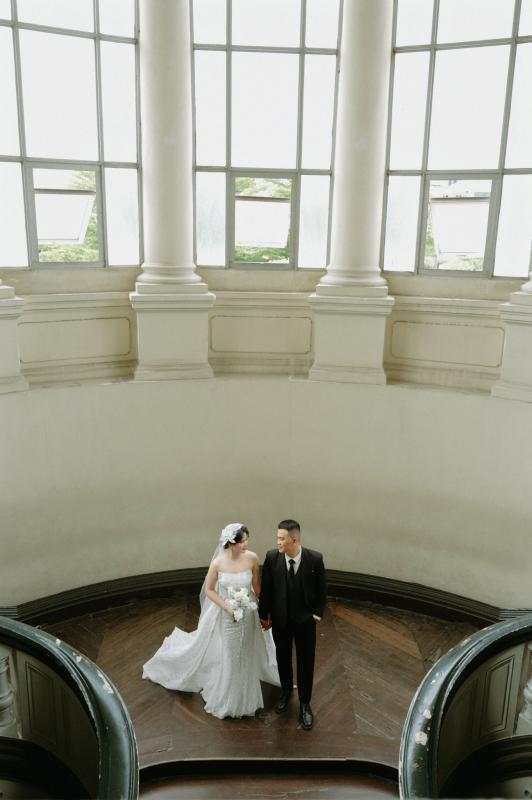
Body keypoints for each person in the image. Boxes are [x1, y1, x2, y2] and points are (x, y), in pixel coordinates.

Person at [142, 523, 280, 719]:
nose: (247, 544)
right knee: (232, 654)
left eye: (247, 540)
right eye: (243, 541)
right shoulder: (218, 563)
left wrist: (266, 610)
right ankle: (228, 699)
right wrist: (227, 607)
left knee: (246, 652)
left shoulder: (252, 558)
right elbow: (209, 590)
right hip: (228, 615)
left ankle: (247, 697)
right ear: (231, 543)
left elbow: (256, 586)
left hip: (248, 613)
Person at [259, 519, 327, 730]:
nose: (277, 542)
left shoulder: (314, 559)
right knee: (282, 657)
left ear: (294, 540)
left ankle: (305, 704)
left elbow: (322, 589)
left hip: (306, 622)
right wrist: (264, 615)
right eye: (277, 538)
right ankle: (286, 691)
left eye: (281, 538)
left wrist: (316, 615)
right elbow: (267, 589)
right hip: (280, 620)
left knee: (306, 662)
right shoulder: (272, 557)